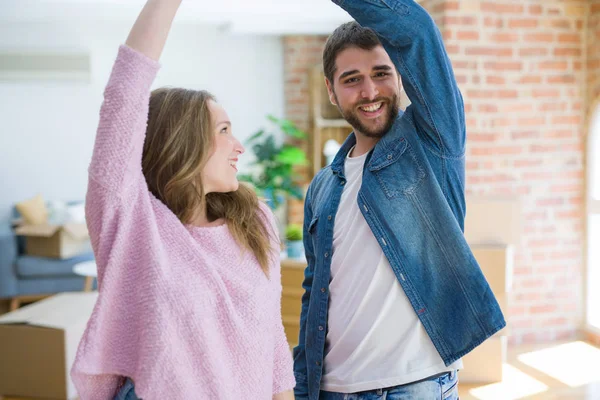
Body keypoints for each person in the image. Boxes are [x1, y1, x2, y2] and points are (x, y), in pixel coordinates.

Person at [70, 0, 295, 398]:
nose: (239, 146)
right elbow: (124, 97)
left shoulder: (255, 220)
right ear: (182, 142)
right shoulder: (133, 223)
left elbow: (272, 343)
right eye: (224, 129)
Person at [293, 1, 506, 399]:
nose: (369, 91)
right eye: (352, 79)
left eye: (381, 73)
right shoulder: (322, 187)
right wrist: (305, 388)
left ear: (400, 77)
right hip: (334, 389)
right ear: (331, 90)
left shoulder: (431, 145)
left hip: (414, 386)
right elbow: (314, 293)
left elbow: (419, 32)